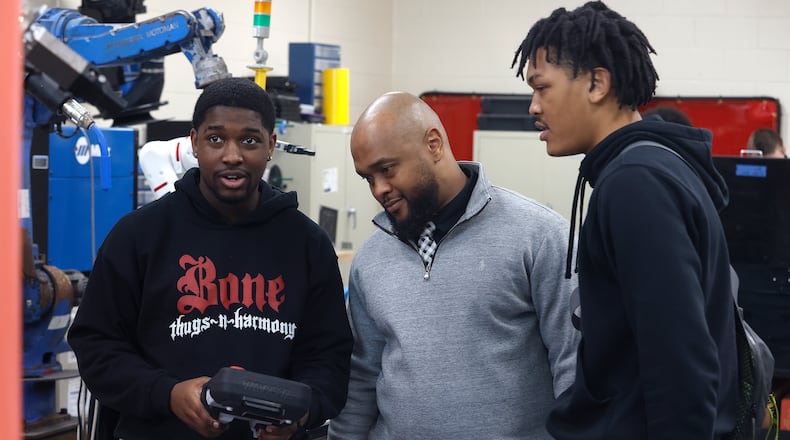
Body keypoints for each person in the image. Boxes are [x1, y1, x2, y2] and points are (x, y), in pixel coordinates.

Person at [67, 77, 353, 440]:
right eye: (216, 139)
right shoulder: (138, 236)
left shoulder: (308, 244)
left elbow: (329, 357)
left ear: (271, 145)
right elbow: (97, 345)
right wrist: (167, 394)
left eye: (249, 140)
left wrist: (301, 412)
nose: (232, 155)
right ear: (194, 143)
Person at [511, 2, 738, 439]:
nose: (533, 106)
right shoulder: (655, 167)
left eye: (542, 87)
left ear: (597, 83)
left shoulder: (635, 184)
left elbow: (679, 364)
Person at [327, 91, 579, 439]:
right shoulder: (371, 258)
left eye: (387, 169)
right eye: (367, 178)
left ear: (433, 144)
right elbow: (361, 378)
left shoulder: (540, 236)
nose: (379, 189)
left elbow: (574, 366)